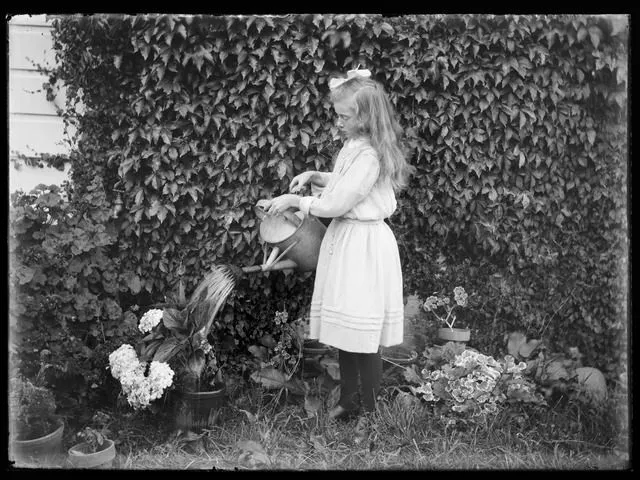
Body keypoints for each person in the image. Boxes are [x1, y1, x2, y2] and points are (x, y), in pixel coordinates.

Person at [257, 68, 414, 438]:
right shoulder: (355, 146)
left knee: (364, 333)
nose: (338, 121)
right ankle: (349, 400)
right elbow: (342, 183)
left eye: (345, 116)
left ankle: (370, 411)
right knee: (347, 329)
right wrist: (316, 174)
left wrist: (297, 200)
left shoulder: (372, 155)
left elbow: (340, 202)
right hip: (348, 244)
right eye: (338, 115)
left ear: (365, 117)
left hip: (364, 248)